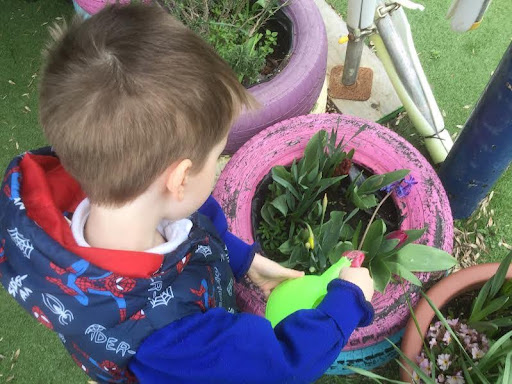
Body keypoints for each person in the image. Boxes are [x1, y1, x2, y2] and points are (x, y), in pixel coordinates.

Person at [0, 4, 374, 384]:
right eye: (217, 156)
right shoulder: (177, 341)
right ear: (179, 179)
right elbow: (280, 368)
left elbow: (190, 224)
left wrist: (244, 260)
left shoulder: (110, 186)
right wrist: (347, 302)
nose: (217, 165)